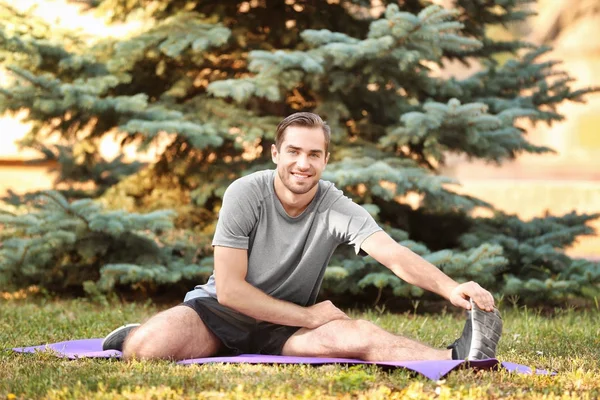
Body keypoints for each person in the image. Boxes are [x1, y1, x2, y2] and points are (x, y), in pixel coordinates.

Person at [102, 112, 502, 362]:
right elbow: (229, 291)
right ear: (276, 153)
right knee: (145, 352)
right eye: (293, 151)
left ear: (325, 160)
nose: (303, 163)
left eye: (314, 154)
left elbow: (393, 254)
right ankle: (137, 335)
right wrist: (311, 316)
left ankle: (453, 357)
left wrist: (452, 289)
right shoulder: (245, 193)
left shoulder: (336, 206)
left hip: (285, 327)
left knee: (360, 335)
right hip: (220, 315)